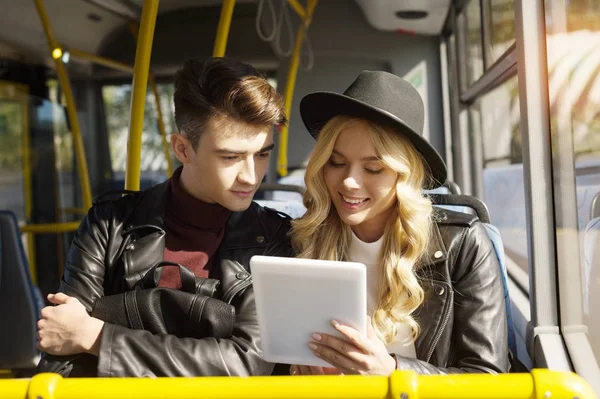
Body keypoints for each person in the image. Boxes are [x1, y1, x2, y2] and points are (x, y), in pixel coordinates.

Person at [36, 57, 292, 377]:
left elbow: (245, 364)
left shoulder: (277, 238)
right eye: (231, 157)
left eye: (263, 154)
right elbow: (61, 343)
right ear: (182, 149)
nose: (251, 176)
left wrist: (98, 336)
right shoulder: (109, 225)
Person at [289, 70, 509, 375]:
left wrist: (393, 373)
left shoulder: (462, 245)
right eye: (336, 163)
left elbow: (488, 378)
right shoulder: (302, 238)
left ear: (403, 175)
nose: (350, 181)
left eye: (374, 168)